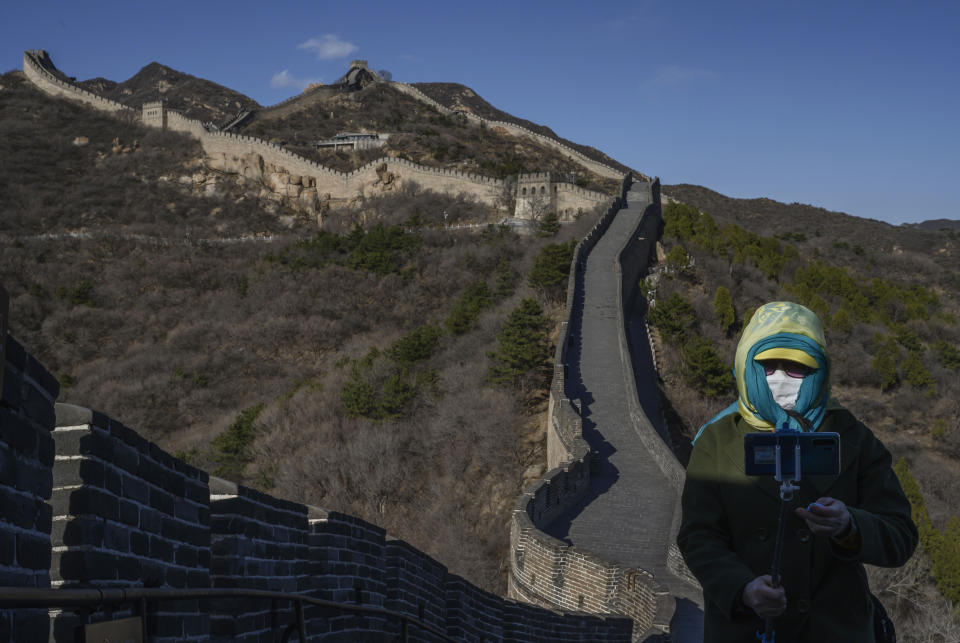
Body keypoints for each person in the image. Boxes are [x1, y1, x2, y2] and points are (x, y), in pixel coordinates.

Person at [677, 301, 918, 642]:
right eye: (768, 366)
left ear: (819, 370)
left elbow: (901, 535)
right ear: (746, 366)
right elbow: (698, 535)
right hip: (746, 629)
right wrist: (743, 588)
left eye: (795, 369)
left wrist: (850, 526)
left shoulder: (853, 438)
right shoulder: (717, 440)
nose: (779, 379)